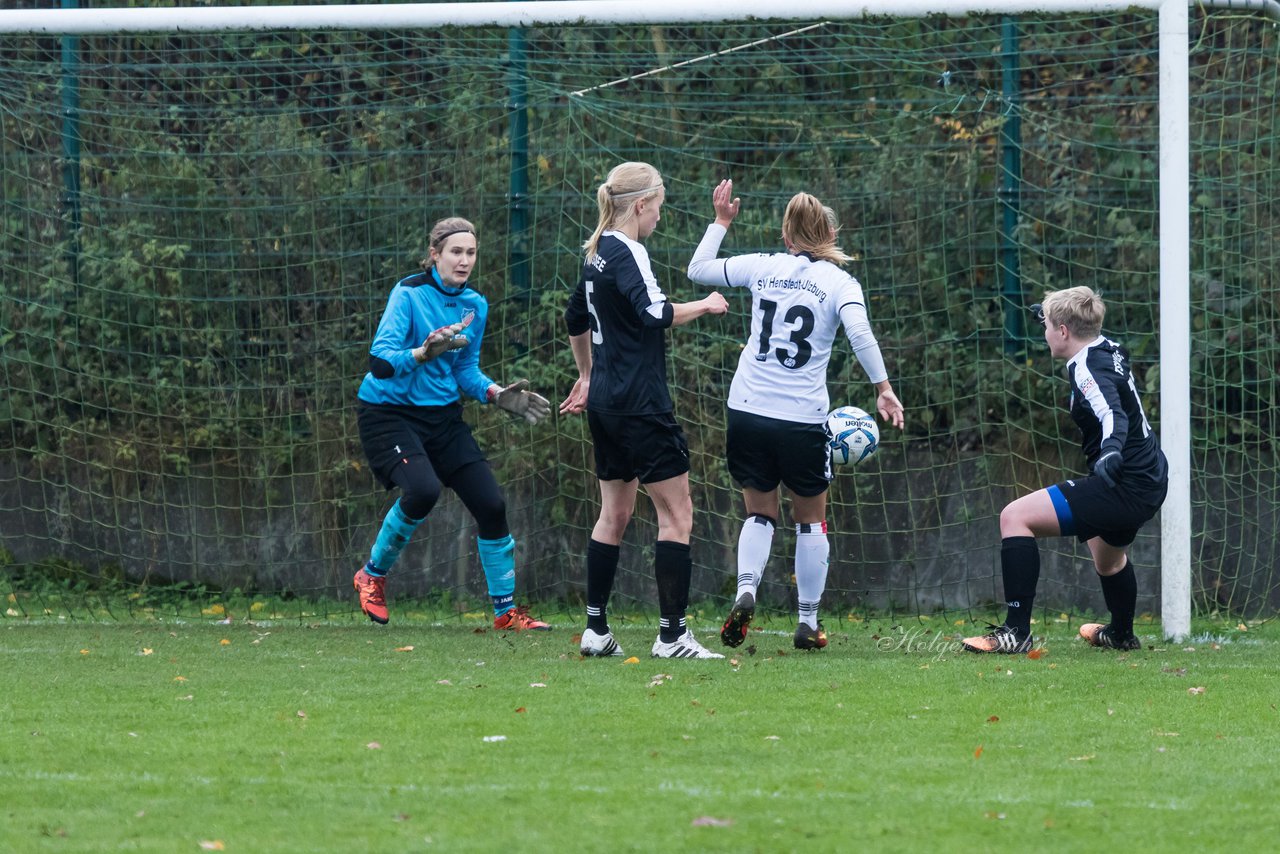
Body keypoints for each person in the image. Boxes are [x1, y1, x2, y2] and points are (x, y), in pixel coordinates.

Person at [687, 179, 905, 651]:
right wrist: (883, 389)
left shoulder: (764, 266)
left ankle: (747, 588)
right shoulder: (840, 282)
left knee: (759, 514)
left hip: (746, 409)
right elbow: (861, 335)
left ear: (787, 237)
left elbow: (698, 268)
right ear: (830, 235)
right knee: (811, 522)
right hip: (803, 418)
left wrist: (722, 222)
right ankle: (808, 622)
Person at [561, 161, 730, 660]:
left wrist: (589, 375)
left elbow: (575, 318)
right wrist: (705, 305)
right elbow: (655, 314)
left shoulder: (595, 254)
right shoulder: (629, 252)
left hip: (608, 404)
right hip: (641, 405)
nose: (659, 216)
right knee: (677, 514)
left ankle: (595, 630)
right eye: (658, 206)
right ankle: (673, 636)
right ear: (639, 205)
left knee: (613, 513)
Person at [353, 216, 553, 630]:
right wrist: (421, 355)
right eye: (455, 252)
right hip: (388, 414)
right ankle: (371, 575)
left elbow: (465, 372)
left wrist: (498, 395)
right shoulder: (408, 294)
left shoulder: (475, 305)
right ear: (435, 255)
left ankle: (506, 613)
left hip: (443, 418)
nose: (464, 261)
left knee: (492, 505)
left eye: (471, 253)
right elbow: (379, 361)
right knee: (423, 491)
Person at [962, 285, 1168, 654]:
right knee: (1107, 556)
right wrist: (1050, 311)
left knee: (1015, 517)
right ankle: (1121, 634)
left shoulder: (1087, 367)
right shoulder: (1108, 348)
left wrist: (1110, 452)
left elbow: (1112, 415)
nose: (1044, 334)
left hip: (1123, 480)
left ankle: (1014, 633)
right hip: (1149, 477)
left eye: (1047, 326)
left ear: (1063, 332)